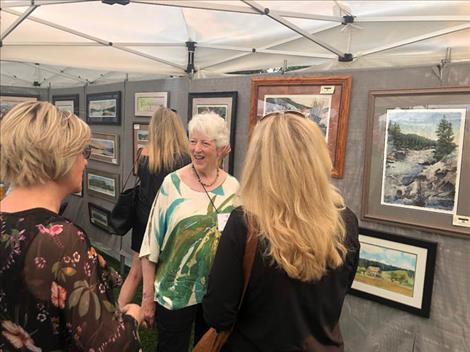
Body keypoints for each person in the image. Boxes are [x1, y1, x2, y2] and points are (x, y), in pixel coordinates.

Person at [203, 111, 360, 352]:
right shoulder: (346, 220)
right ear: (317, 157)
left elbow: (217, 315)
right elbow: (341, 290)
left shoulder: (245, 224)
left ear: (258, 161)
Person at [0, 102, 143, 351]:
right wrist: (133, 318)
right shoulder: (60, 239)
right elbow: (108, 346)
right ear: (59, 155)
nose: (85, 162)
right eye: (82, 151)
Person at [140, 112, 239, 352]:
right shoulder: (171, 184)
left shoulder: (233, 187)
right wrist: (147, 297)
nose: (196, 149)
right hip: (174, 293)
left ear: (222, 148)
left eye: (205, 143)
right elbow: (150, 244)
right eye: (193, 141)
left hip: (215, 294)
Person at [118, 107, 190, 308]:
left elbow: (139, 177)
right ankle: (154, 313)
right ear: (176, 127)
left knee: (135, 272)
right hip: (168, 220)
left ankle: (117, 312)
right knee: (166, 271)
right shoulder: (183, 159)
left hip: (142, 218)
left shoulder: (143, 153)